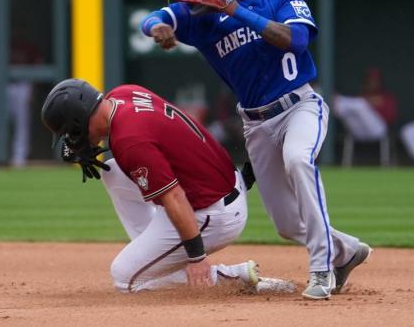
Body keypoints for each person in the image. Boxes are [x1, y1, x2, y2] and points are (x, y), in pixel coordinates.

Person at [140, 0, 371, 300]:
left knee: (299, 160)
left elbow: (294, 39)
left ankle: (321, 270)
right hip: (256, 124)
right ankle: (346, 251)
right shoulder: (205, 17)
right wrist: (160, 29)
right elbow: (157, 17)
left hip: (299, 106)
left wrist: (238, 11)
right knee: (285, 223)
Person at [41, 79, 294, 293]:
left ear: (78, 121)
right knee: (114, 174)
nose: (72, 140)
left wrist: (197, 258)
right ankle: (158, 255)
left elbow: (174, 196)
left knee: (125, 278)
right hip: (220, 183)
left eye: (71, 132)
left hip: (211, 213)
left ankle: (229, 276)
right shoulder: (123, 93)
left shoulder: (129, 141)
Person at [334, 67, 398, 141]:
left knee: (360, 103)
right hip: (358, 133)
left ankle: (336, 101)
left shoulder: (387, 97)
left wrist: (373, 104)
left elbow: (392, 118)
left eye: (375, 80)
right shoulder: (361, 96)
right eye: (370, 80)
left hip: (379, 131)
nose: (372, 83)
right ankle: (336, 104)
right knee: (350, 112)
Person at [6, 38, 42, 167]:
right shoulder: (2, 42)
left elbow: (38, 67)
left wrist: (33, 91)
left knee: (22, 124)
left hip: (23, 84)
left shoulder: (29, 46)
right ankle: (1, 156)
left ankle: (19, 157)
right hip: (5, 84)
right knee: (2, 123)